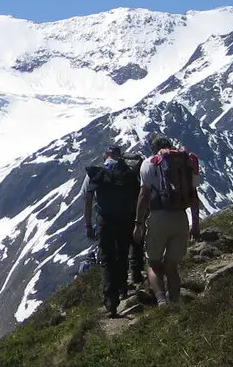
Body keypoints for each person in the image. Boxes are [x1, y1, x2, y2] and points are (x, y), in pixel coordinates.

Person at [134, 134, 201, 304]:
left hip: (158, 217)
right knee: (172, 267)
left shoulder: (150, 163)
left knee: (154, 263)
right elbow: (194, 195)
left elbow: (144, 195)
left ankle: (162, 301)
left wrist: (139, 223)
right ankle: (176, 303)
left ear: (153, 148)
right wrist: (195, 225)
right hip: (180, 217)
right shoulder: (186, 162)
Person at [84, 145, 141, 316]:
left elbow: (87, 200)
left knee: (107, 259)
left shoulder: (97, 173)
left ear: (107, 154)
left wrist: (88, 225)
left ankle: (110, 301)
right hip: (124, 220)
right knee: (123, 253)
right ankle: (123, 287)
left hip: (105, 222)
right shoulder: (127, 173)